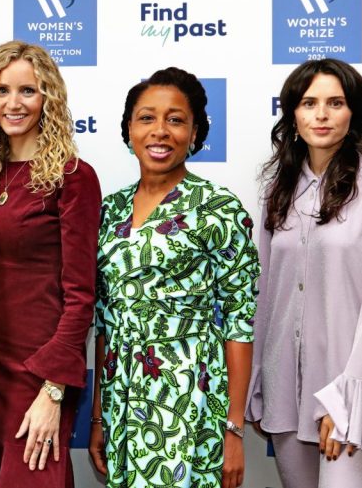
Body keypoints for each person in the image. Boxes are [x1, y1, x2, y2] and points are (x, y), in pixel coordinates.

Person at [89, 67, 259, 488]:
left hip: (190, 400)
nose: (160, 131)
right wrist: (98, 416)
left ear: (195, 131)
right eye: (147, 118)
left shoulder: (218, 208)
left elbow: (240, 324)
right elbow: (105, 323)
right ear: (129, 129)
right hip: (122, 403)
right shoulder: (107, 212)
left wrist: (233, 432)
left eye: (176, 119)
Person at [245, 58, 362, 488]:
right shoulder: (276, 191)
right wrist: (259, 382)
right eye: (309, 103)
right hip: (286, 386)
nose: (321, 114)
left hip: (350, 387)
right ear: (293, 115)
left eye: (335, 103)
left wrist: (346, 397)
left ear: (353, 113)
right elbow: (264, 294)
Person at [0, 40, 101, 488]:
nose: (13, 103)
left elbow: (81, 296)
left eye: (28, 90)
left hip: (40, 370)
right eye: (2, 91)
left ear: (49, 99)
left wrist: (54, 388)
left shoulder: (73, 176)